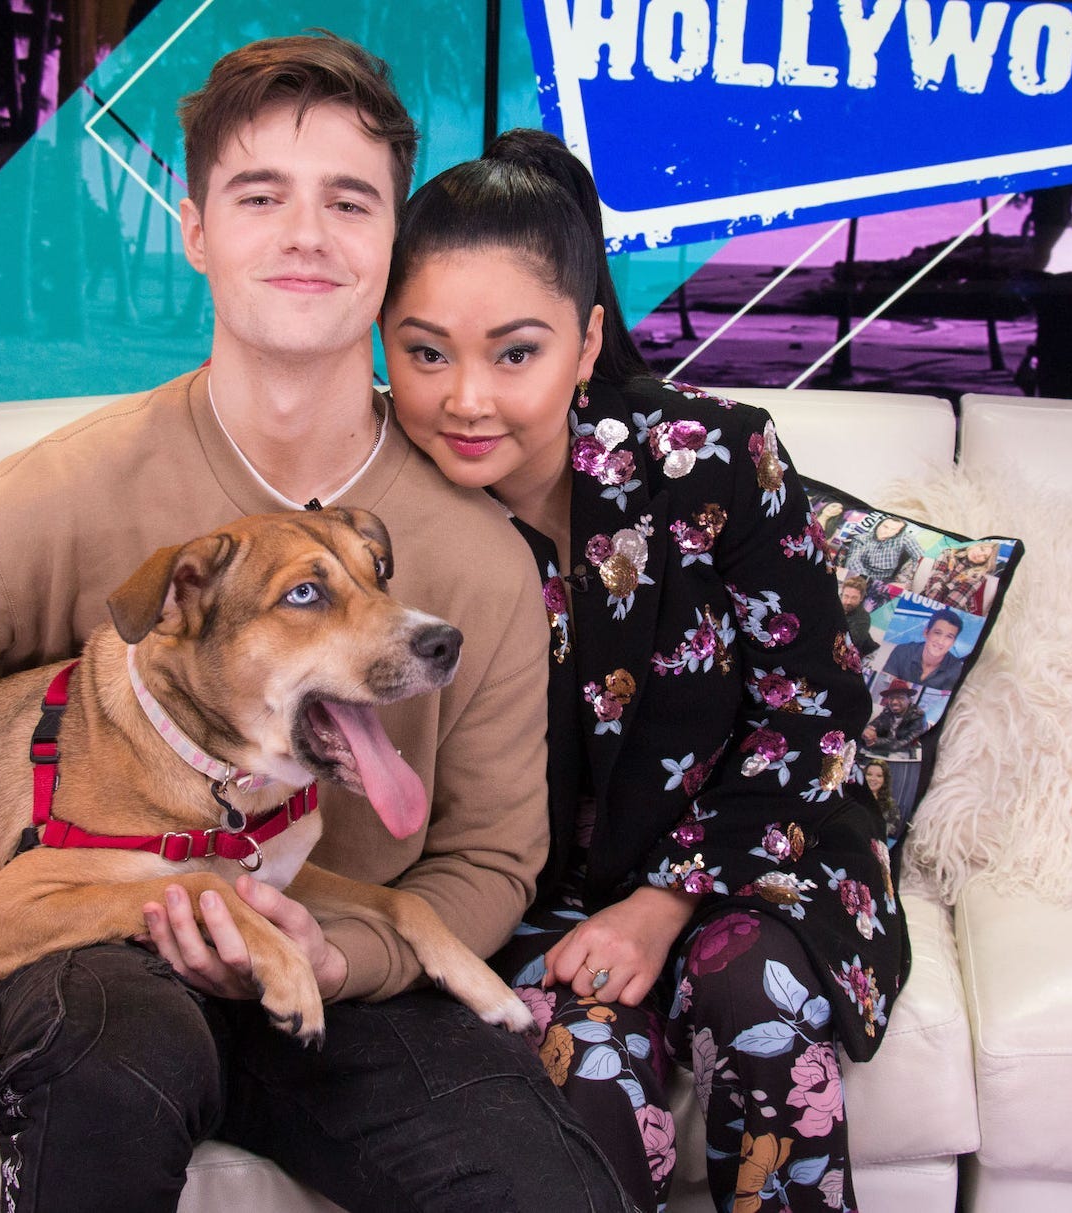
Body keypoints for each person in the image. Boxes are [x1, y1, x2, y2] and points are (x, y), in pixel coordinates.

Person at [0, 35, 626, 1213]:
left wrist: (347, 955)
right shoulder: (58, 496)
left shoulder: (480, 561)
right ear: (195, 229)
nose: (306, 233)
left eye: (348, 200)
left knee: (548, 1185)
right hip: (101, 953)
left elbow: (492, 858)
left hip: (335, 973)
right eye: (261, 196)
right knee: (103, 1079)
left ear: (388, 244)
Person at [381, 129, 907, 1213]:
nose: (465, 398)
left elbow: (811, 721)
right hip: (525, 894)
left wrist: (665, 901)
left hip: (761, 846)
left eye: (513, 352)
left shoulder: (716, 460)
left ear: (583, 342)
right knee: (587, 1084)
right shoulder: (376, 515)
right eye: (425, 352)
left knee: (759, 1002)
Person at [881, 607, 966, 691]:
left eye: (949, 637)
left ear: (953, 642)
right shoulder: (902, 651)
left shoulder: (956, 669)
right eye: (937, 633)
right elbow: (884, 685)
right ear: (926, 633)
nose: (941, 641)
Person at [843, 513, 923, 587]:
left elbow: (920, 558)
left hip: (887, 580)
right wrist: (868, 581)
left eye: (893, 529)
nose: (886, 531)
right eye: (885, 527)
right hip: (860, 577)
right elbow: (853, 562)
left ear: (897, 533)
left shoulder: (904, 538)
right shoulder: (861, 539)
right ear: (878, 525)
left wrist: (907, 581)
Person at [921, 541, 996, 615]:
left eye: (984, 557)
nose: (979, 555)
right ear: (975, 544)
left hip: (948, 614)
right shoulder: (948, 554)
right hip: (924, 601)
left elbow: (952, 603)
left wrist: (932, 614)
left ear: (985, 562)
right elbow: (935, 579)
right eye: (982, 549)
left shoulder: (978, 577)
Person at [860, 681, 926, 755]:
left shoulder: (917, 717)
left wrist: (874, 740)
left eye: (900, 698)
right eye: (891, 698)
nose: (894, 702)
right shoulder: (887, 712)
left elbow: (904, 744)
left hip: (905, 757)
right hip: (881, 752)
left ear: (909, 700)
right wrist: (867, 732)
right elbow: (873, 726)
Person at [838, 574, 879, 657]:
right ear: (841, 594)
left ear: (861, 598)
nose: (848, 601)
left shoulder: (864, 618)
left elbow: (848, 645)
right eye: (846, 596)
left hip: (863, 654)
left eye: (854, 598)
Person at [862, 759, 899, 839]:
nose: (873, 779)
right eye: (869, 774)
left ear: (884, 780)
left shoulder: (891, 806)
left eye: (879, 776)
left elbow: (890, 830)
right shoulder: (852, 799)